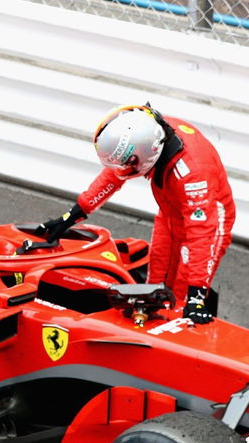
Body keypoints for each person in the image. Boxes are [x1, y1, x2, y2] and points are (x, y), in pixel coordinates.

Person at [38, 104, 234, 324]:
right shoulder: (145, 133)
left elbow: (201, 234)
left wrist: (197, 295)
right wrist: (72, 216)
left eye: (128, 163)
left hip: (207, 220)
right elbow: (114, 176)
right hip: (171, 211)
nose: (123, 169)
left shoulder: (193, 174)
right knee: (155, 283)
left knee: (181, 296)